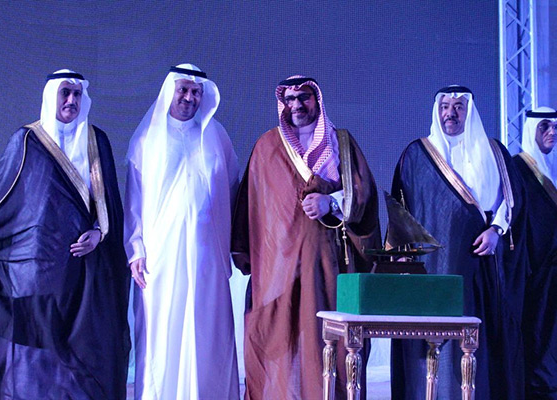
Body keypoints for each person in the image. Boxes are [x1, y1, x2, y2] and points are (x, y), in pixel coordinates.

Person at [0, 69, 131, 399]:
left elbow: (109, 201)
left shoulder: (97, 141)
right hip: (35, 268)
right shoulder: (26, 141)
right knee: (36, 347)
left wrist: (99, 233)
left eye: (77, 94)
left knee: (81, 347)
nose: (71, 100)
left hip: (83, 270)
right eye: (65, 93)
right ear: (51, 96)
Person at [231, 75, 381, 400]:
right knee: (279, 341)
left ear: (317, 101)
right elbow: (251, 206)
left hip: (326, 264)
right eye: (290, 99)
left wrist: (331, 202)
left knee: (328, 340)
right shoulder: (266, 146)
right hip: (278, 267)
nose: (296, 105)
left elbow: (364, 195)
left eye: (304, 98)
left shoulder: (341, 143)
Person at [390, 85, 527, 399]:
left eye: (458, 107)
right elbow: (400, 209)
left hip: (479, 265)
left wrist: (496, 231)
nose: (450, 114)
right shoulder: (416, 154)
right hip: (430, 268)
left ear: (470, 112)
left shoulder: (493, 151)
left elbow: (511, 199)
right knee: (429, 340)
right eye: (445, 107)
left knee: (477, 339)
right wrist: (400, 254)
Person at [125, 64, 240, 399]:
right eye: (183, 90)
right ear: (170, 92)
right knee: (164, 333)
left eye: (196, 92)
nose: (189, 98)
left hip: (208, 257)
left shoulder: (217, 136)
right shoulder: (148, 139)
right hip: (160, 258)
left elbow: (234, 193)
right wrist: (135, 250)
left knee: (207, 334)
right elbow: (134, 201)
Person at [514, 107, 557, 399]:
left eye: (555, 127)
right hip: (531, 270)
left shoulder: (552, 170)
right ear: (532, 130)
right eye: (544, 127)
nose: (552, 133)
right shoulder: (518, 168)